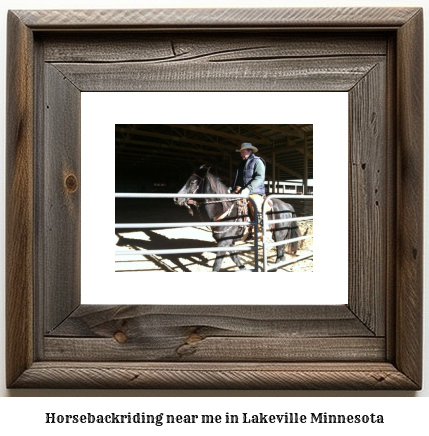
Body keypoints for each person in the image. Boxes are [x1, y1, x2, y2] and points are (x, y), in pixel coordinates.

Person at [232, 142, 266, 222]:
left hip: (255, 191)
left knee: (255, 206)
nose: (241, 155)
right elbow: (237, 179)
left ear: (250, 151)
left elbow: (260, 177)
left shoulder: (258, 162)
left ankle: (261, 230)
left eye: (243, 152)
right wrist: (231, 189)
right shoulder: (241, 164)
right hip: (241, 191)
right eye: (241, 153)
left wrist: (248, 189)